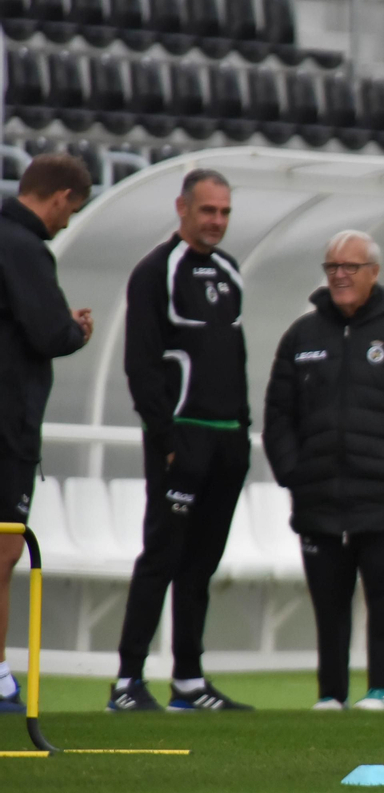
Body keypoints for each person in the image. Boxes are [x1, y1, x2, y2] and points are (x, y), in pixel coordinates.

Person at [264, 230, 384, 712]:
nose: (340, 276)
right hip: (319, 501)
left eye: (350, 267)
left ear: (374, 273)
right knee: (329, 608)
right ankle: (330, 696)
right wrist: (294, 473)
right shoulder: (302, 336)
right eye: (332, 268)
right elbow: (278, 415)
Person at [111, 169, 253, 712]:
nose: (216, 221)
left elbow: (233, 358)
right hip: (181, 442)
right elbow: (141, 363)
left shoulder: (230, 271)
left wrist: (242, 429)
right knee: (162, 556)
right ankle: (127, 681)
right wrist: (164, 435)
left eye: (224, 212)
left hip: (227, 443)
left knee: (202, 563)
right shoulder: (155, 271)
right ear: (183, 209)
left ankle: (189, 682)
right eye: (207, 211)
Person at [0, 154, 95, 714]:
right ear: (60, 197)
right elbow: (48, 331)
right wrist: (76, 329)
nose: (66, 222)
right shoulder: (24, 246)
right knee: (6, 548)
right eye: (71, 211)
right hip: (6, 426)